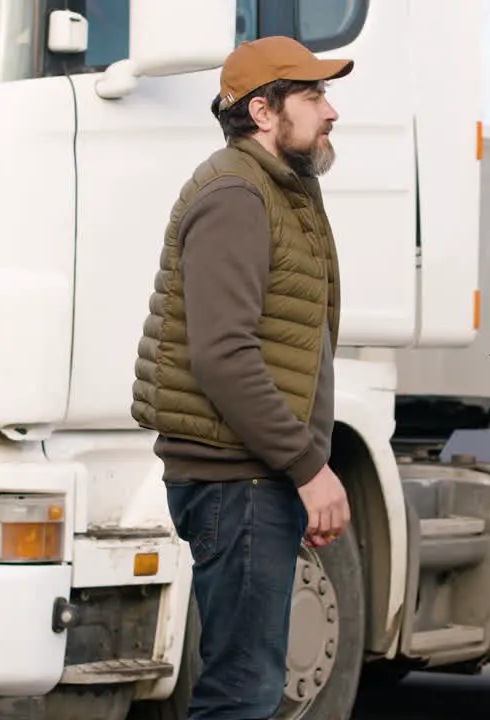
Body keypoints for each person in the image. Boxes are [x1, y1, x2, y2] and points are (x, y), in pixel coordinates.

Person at [129, 36, 354, 720]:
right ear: (263, 111)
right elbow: (223, 354)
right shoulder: (236, 195)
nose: (331, 111)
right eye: (313, 96)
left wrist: (297, 470)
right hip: (237, 479)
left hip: (254, 478)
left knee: (248, 685)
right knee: (242, 694)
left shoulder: (279, 188)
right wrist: (307, 466)